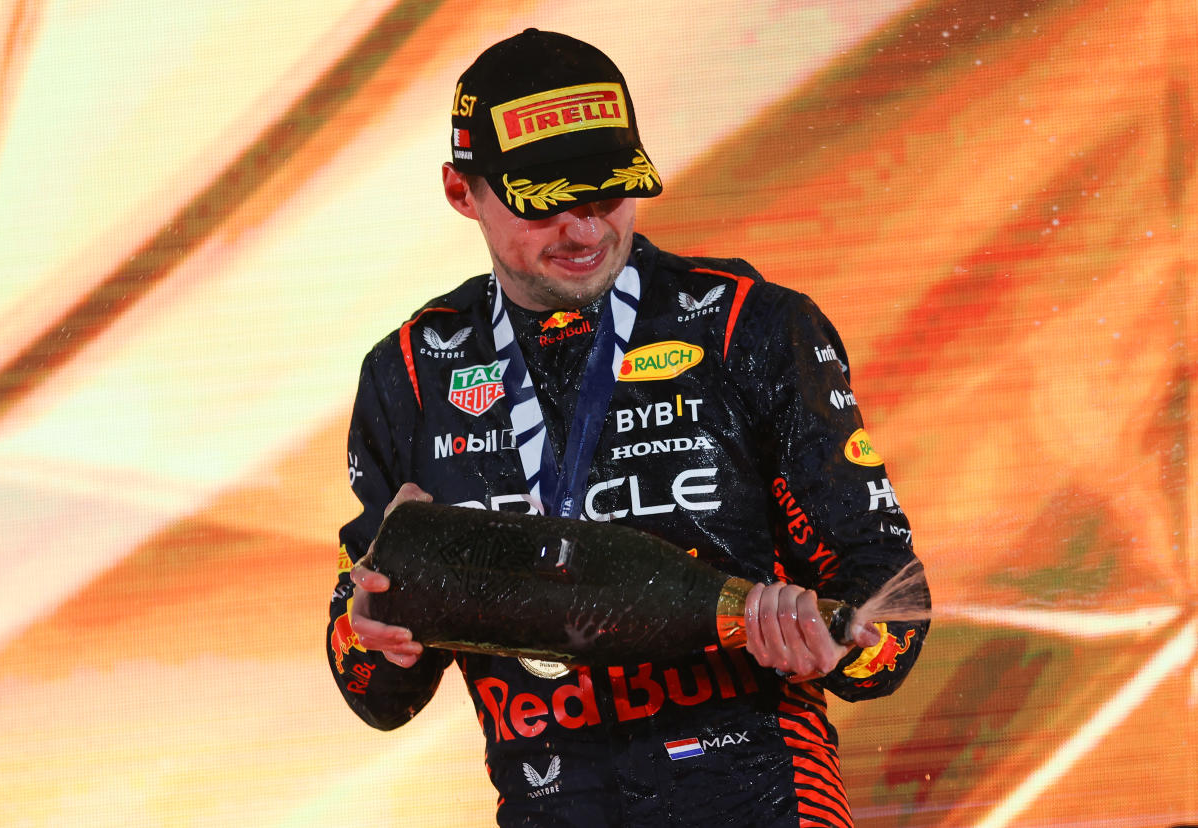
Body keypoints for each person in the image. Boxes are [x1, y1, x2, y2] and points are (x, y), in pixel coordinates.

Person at [327, 29, 929, 827]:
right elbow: (376, 694)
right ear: (460, 190)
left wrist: (843, 642)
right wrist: (372, 637)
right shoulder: (408, 372)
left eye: (608, 193)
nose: (585, 232)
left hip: (764, 801)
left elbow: (894, 595)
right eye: (544, 204)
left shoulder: (748, 326)